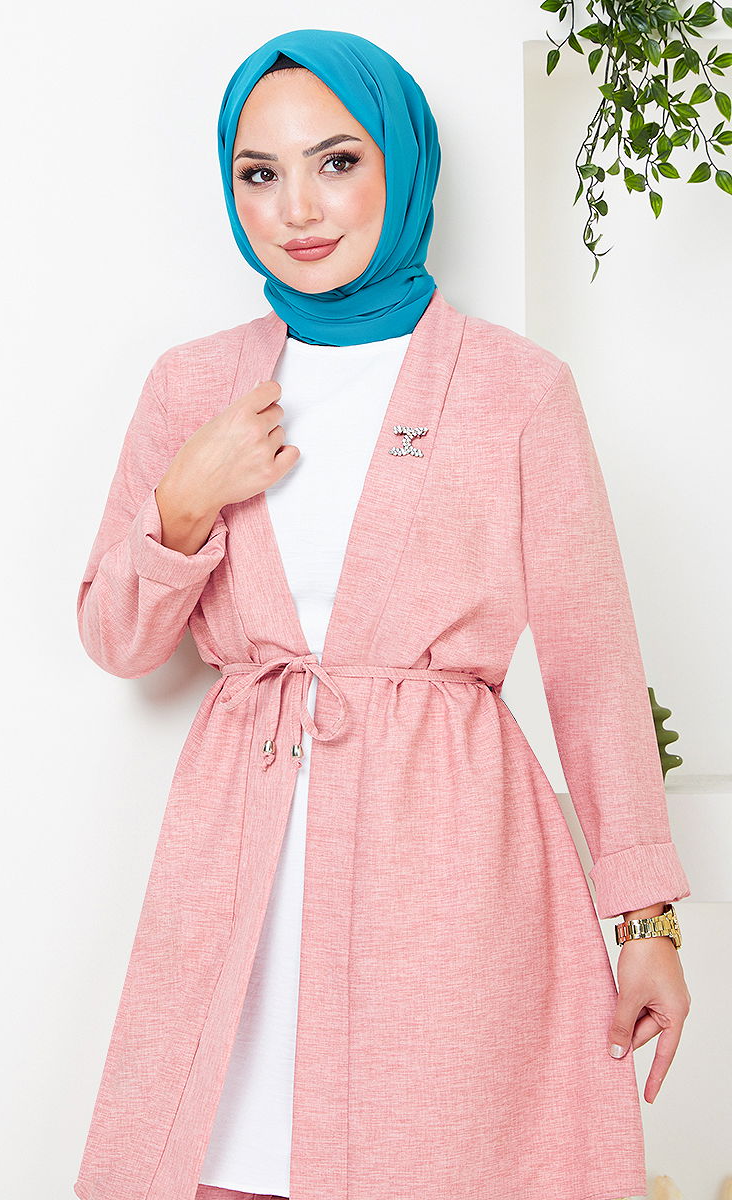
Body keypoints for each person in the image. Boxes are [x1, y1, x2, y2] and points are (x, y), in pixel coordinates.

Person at [73, 29, 692, 1200]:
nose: (296, 208)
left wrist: (644, 922)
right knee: (211, 1151)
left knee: (436, 1156)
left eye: (337, 161)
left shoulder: (516, 390)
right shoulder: (192, 386)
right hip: (238, 865)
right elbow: (116, 638)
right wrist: (185, 501)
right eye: (259, 173)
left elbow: (592, 663)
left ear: (400, 164)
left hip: (443, 871)